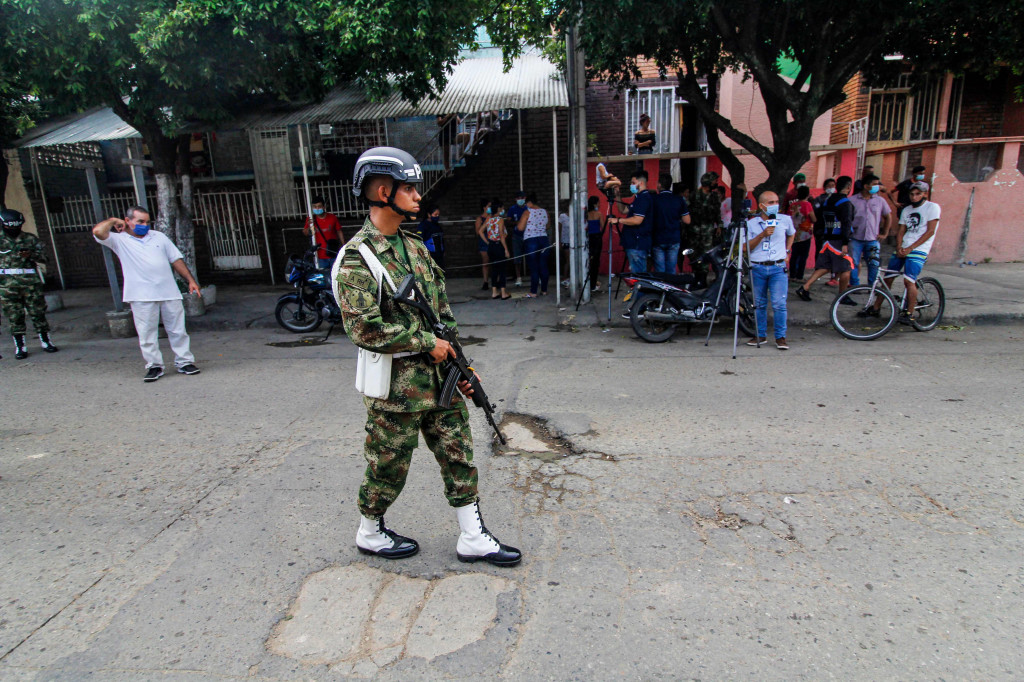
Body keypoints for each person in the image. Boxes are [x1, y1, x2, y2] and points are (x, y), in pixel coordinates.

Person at [336, 146, 520, 566]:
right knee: (388, 466)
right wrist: (425, 343)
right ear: (383, 191)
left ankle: (473, 536)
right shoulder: (358, 258)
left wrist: (463, 365)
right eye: (410, 188)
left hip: (442, 380)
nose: (418, 197)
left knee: (459, 453)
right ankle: (370, 531)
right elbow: (362, 328)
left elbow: (442, 317)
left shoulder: (414, 247)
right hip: (396, 392)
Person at [93, 207, 201, 381]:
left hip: (169, 292)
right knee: (147, 333)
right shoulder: (119, 240)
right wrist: (114, 220)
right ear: (127, 221)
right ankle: (154, 366)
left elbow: (176, 259)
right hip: (140, 295)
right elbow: (98, 231)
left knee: (178, 330)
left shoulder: (158, 237)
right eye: (140, 221)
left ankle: (184, 362)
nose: (145, 225)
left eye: (147, 222)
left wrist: (190, 279)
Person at [863, 182, 940, 322]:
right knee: (887, 278)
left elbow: (930, 231)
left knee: (908, 280)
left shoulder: (932, 207)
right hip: (904, 247)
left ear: (924, 194)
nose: (914, 197)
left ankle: (910, 314)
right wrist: (899, 247)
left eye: (918, 194)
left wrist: (911, 248)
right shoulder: (906, 210)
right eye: (912, 194)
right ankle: (876, 308)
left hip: (919, 249)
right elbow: (901, 231)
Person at [0, 209, 59, 359]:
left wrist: (30, 255)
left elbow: (45, 258)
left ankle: (46, 341)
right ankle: (20, 347)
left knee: (38, 312)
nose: (14, 230)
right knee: (15, 316)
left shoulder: (30, 239)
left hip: (30, 283)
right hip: (7, 285)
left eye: (17, 226)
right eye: (10, 227)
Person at [745, 192, 796, 350]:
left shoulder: (785, 220)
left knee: (779, 303)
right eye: (771, 202)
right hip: (758, 266)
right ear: (761, 206)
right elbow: (746, 247)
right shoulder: (752, 224)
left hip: (778, 267)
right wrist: (762, 235)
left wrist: (787, 251)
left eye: (776, 201)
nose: (775, 204)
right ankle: (760, 335)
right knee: (759, 303)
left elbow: (792, 234)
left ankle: (780, 337)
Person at [796, 176, 856, 304]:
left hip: (827, 239)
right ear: (849, 186)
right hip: (839, 241)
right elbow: (846, 223)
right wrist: (845, 243)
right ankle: (842, 295)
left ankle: (805, 287)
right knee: (846, 268)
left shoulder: (827, 201)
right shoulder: (845, 203)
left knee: (826, 266)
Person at [848, 174, 894, 287]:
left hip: (873, 239)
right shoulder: (852, 200)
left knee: (874, 264)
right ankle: (854, 286)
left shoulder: (880, 201)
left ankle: (872, 286)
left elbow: (888, 216)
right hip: (855, 238)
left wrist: (885, 233)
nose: (877, 186)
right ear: (866, 186)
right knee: (853, 263)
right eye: (874, 184)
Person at [687, 171, 722, 282]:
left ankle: (703, 279)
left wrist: (719, 225)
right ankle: (696, 277)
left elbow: (717, 212)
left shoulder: (714, 196)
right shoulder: (694, 195)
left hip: (708, 230)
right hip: (694, 230)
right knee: (694, 254)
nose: (716, 183)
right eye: (714, 181)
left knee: (706, 254)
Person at [652, 173, 690, 274]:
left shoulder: (654, 200)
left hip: (658, 238)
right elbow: (687, 220)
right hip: (674, 237)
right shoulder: (679, 200)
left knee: (660, 270)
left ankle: (661, 289)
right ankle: (670, 288)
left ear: (659, 184)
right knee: (671, 269)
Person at [517, 193, 550, 297]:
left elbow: (520, 228)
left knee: (534, 267)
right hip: (544, 240)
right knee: (543, 266)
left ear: (529, 202)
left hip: (531, 241)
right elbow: (548, 226)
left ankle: (533, 292)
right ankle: (544, 290)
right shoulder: (545, 212)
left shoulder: (527, 212)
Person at [302, 195, 344, 270]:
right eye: (315, 207)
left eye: (319, 206)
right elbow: (305, 233)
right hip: (319, 256)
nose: (317, 208)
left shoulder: (332, 217)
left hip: (333, 253)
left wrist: (343, 245)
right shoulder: (311, 219)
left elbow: (339, 231)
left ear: (324, 207)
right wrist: (309, 225)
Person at [484, 198, 512, 299]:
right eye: (502, 208)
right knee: (502, 269)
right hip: (498, 245)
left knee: (494, 269)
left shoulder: (488, 219)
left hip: (491, 246)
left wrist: (488, 241)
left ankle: (494, 292)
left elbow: (480, 231)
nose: (503, 209)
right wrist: (506, 249)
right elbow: (501, 235)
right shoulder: (500, 220)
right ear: (499, 209)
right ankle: (503, 293)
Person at [787, 185, 815, 281]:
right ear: (807, 194)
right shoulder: (807, 205)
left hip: (793, 233)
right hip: (805, 234)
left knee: (794, 255)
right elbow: (813, 218)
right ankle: (799, 276)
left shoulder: (792, 205)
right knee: (803, 256)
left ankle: (792, 275)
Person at [505, 190, 527, 286]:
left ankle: (536, 276)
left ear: (525, 198)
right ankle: (518, 277)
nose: (520, 200)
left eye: (522, 198)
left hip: (527, 235)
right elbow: (508, 222)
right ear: (515, 199)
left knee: (532, 256)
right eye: (519, 198)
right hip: (517, 235)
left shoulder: (528, 208)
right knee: (517, 258)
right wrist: (518, 223)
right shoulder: (512, 209)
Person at [585, 195, 606, 292]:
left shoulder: (586, 214)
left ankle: (589, 281)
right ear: (595, 204)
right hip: (597, 238)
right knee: (596, 261)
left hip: (588, 238)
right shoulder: (599, 214)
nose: (599, 204)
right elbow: (603, 226)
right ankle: (593, 283)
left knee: (588, 259)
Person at [417, 205, 445, 270]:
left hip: (439, 253)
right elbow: (419, 239)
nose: (437, 216)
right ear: (429, 215)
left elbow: (441, 240)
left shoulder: (438, 226)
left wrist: (443, 251)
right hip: (429, 254)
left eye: (438, 215)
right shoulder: (423, 225)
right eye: (435, 214)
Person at [474, 198, 492, 291]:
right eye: (489, 206)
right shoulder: (480, 219)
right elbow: (478, 232)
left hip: (492, 241)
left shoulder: (492, 217)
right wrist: (485, 223)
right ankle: (485, 281)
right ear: (484, 207)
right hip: (484, 242)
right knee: (486, 262)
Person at [558, 202, 571, 286]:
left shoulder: (575, 215)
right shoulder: (562, 216)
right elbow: (558, 229)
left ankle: (571, 276)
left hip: (574, 241)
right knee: (568, 260)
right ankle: (565, 277)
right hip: (565, 241)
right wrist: (559, 241)